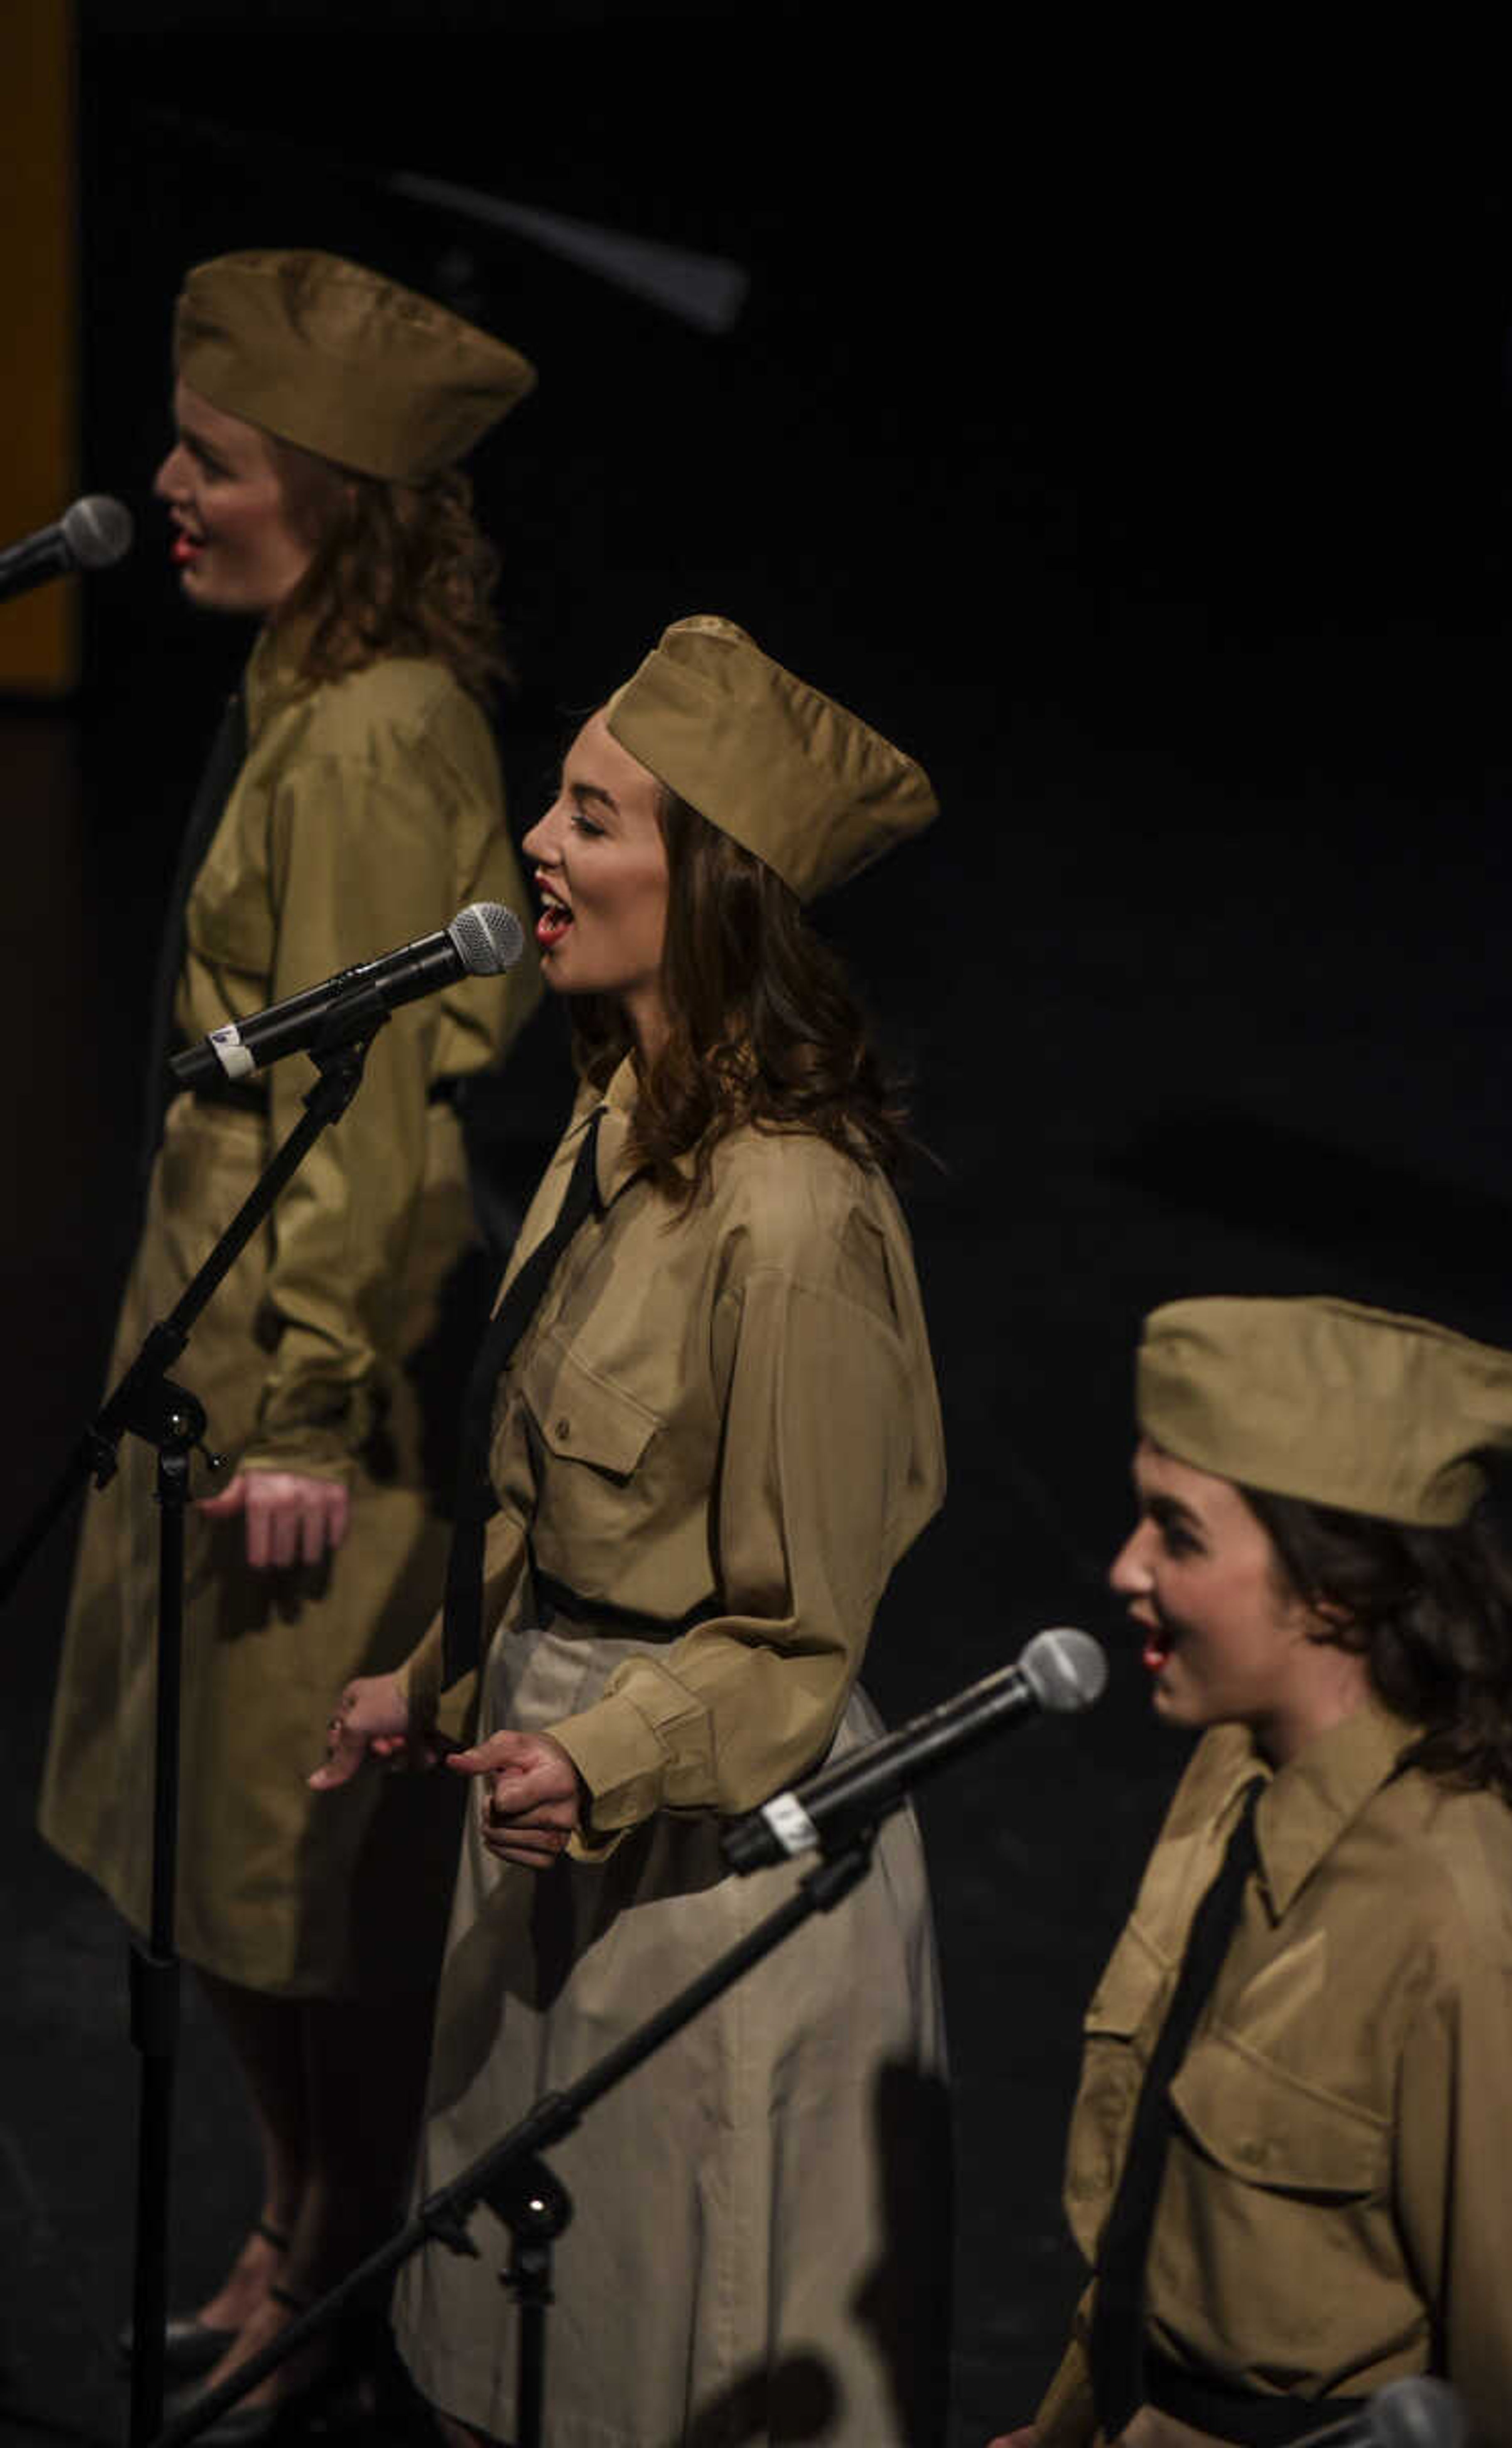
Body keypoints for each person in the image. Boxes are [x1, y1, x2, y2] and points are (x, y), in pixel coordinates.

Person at [314, 614, 952, 2447]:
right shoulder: (619, 1116)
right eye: (559, 804)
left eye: (595, 819)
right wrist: (435, 1680)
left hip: (702, 1867)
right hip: (552, 1785)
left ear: (713, 885)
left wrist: (595, 1753)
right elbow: (545, 1493)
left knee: (657, 2354)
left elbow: (797, 1639)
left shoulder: (793, 1218)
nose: (541, 843)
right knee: (512, 2348)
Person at [38, 250, 538, 2430]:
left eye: (212, 459)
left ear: (332, 497)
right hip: (225, 1341)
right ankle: (300, 2215)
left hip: (307, 1392)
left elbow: (388, 1119)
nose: (164, 486)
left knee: (282, 1871)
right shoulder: (311, 695)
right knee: (201, 1855)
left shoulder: (379, 735)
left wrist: (312, 1404)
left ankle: (337, 2245)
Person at [989, 1294, 1512, 2448]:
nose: (1124, 1569)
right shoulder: (1231, 1782)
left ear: (1334, 1589)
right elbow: (1155, 2239)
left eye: (1178, 1533)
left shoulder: (1469, 1930)